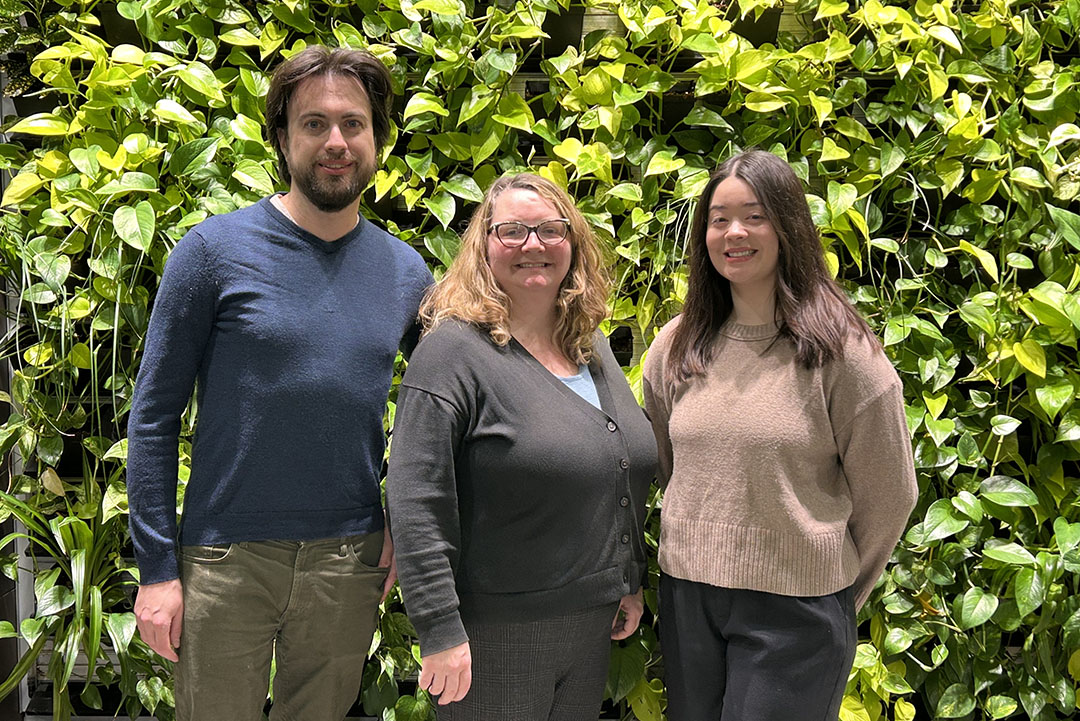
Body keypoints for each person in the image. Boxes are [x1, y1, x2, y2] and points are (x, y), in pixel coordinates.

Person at [126, 46, 432, 721]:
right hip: (223, 558)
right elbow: (151, 418)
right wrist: (157, 569)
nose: (336, 142)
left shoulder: (407, 273)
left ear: (378, 137)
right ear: (282, 137)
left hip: (347, 559)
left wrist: (404, 527)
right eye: (314, 123)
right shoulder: (210, 253)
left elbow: (445, 410)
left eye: (353, 123)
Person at [642, 149, 918, 721]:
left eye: (755, 215)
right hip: (689, 598)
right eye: (719, 219)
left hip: (797, 610)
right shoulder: (676, 344)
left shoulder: (842, 353)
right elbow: (675, 469)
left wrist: (833, 591)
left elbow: (890, 493)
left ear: (788, 225)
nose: (734, 232)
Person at [385, 173, 658, 720]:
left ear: (572, 243)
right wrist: (439, 629)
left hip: (589, 625)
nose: (532, 245)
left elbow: (616, 468)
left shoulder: (590, 346)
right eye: (511, 231)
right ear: (484, 247)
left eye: (549, 230)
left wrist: (626, 580)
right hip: (494, 636)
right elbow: (418, 499)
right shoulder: (451, 355)